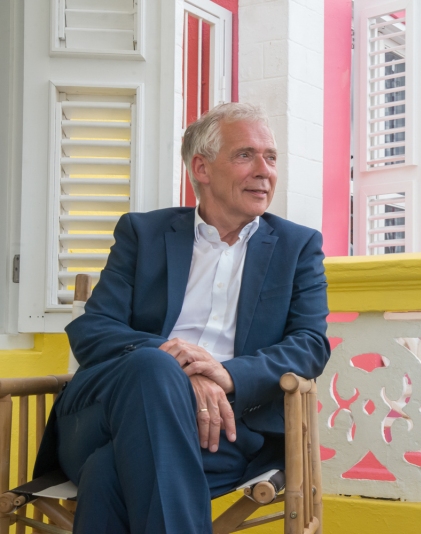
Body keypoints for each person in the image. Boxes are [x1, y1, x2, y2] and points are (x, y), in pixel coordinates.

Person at [33, 103, 330, 533]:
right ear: (202, 168)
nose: (265, 170)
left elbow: (310, 343)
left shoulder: (297, 247)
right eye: (246, 155)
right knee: (153, 366)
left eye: (271, 157)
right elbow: (93, 329)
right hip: (104, 413)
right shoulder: (143, 234)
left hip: (224, 429)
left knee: (108, 474)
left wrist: (226, 376)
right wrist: (181, 366)